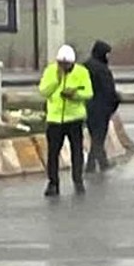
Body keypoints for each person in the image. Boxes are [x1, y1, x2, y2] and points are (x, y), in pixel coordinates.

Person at [38, 44, 94, 197]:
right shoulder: (51, 71)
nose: (64, 67)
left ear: (73, 63)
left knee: (77, 151)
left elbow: (88, 92)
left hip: (74, 118)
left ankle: (78, 180)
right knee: (53, 153)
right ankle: (53, 183)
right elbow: (43, 91)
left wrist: (74, 94)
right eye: (61, 64)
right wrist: (57, 80)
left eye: (67, 64)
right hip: (55, 119)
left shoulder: (82, 72)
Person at [83, 40, 119, 174]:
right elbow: (108, 90)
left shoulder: (85, 66)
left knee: (96, 136)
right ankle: (92, 165)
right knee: (99, 137)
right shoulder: (102, 69)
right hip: (101, 107)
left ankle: (102, 162)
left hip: (87, 106)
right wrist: (114, 104)